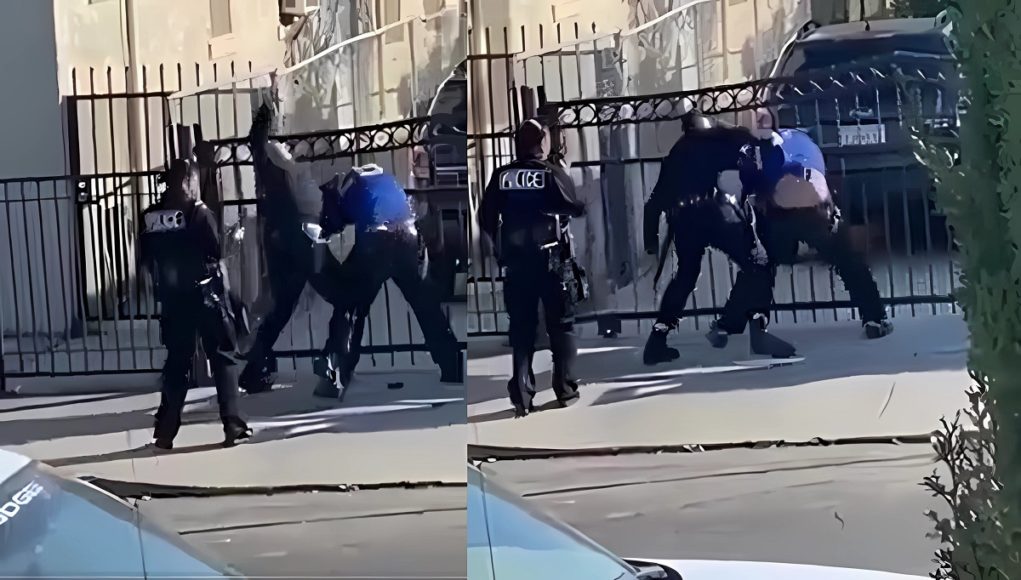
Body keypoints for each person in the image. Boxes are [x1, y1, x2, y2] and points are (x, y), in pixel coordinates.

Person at [642, 115, 798, 365]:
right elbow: (748, 145)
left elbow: (653, 203)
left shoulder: (677, 152)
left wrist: (650, 243)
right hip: (711, 213)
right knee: (756, 264)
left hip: (683, 219)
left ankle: (657, 339)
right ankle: (757, 329)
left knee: (685, 277)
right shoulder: (717, 139)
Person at [240, 103, 356, 398]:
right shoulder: (273, 154)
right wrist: (292, 232)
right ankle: (331, 370)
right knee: (345, 295)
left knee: (281, 307)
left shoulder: (268, 153)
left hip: (291, 233)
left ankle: (253, 371)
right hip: (301, 233)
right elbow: (281, 196)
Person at [137, 158, 252, 450]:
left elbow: (146, 259)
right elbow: (216, 251)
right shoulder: (198, 213)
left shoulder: (150, 216)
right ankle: (233, 424)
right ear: (189, 180)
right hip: (205, 295)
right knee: (223, 355)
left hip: (174, 300)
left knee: (177, 363)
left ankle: (165, 431)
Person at [319, 164, 463, 393]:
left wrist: (330, 193)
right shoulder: (392, 183)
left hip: (374, 244)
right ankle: (452, 366)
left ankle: (336, 373)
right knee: (426, 307)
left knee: (351, 308)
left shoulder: (356, 185)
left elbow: (335, 223)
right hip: (408, 241)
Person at [479, 118, 586, 417]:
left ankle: (522, 396)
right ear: (541, 142)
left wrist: (500, 246)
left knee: (522, 329)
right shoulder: (552, 173)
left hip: (516, 262)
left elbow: (486, 216)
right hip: (552, 260)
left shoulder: (501, 176)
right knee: (561, 326)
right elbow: (573, 207)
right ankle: (565, 389)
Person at [756, 126, 893, 339]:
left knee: (762, 263)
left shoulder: (772, 148)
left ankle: (755, 317)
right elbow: (824, 190)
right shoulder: (809, 148)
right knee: (849, 262)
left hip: (780, 209)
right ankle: (875, 318)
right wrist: (833, 216)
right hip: (814, 207)